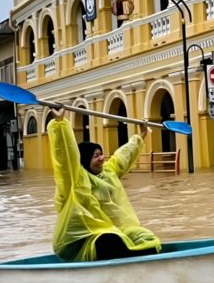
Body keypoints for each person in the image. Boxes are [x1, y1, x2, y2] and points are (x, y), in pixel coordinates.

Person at [47, 106, 161, 262]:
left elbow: (123, 156)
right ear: (85, 159)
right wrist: (60, 123)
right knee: (109, 240)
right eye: (96, 156)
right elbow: (65, 158)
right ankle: (125, 261)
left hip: (114, 230)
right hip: (83, 238)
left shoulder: (108, 172)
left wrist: (141, 134)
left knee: (145, 237)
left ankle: (141, 260)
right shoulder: (75, 179)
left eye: (101, 154)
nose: (101, 158)